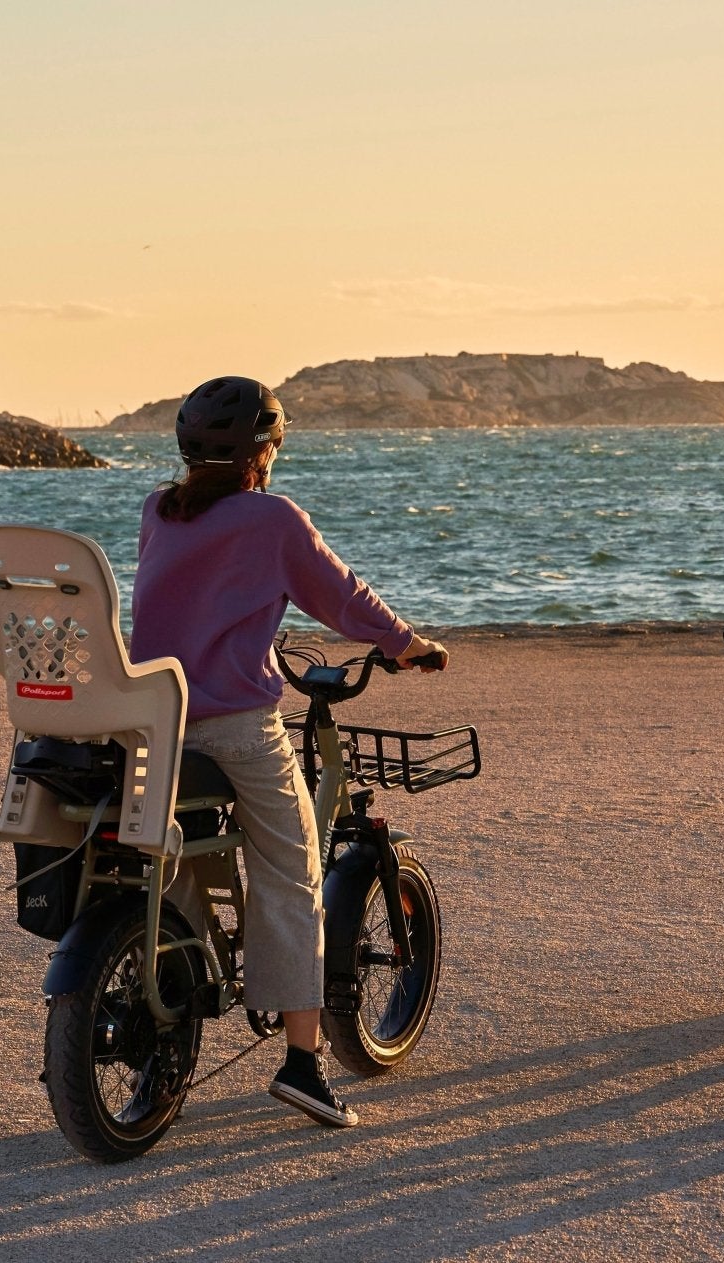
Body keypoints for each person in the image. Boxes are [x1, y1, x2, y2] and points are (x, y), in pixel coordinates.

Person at [129, 375, 446, 1127]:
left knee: (170, 867)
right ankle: (303, 1062)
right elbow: (343, 596)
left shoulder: (157, 511)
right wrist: (408, 645)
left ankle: (169, 1033)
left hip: (154, 725)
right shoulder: (273, 519)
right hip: (237, 727)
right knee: (294, 868)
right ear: (262, 452)